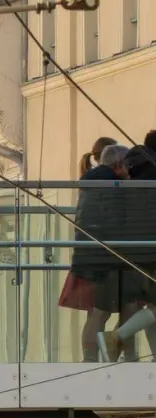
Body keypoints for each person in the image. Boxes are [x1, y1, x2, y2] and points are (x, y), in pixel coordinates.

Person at [69, 144, 132, 361]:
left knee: (99, 311)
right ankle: (95, 358)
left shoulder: (92, 182)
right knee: (102, 311)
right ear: (119, 165)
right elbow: (119, 222)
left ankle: (91, 358)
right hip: (106, 258)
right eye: (128, 165)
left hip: (88, 255)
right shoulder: (112, 186)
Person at [95, 145, 156, 359]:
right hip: (149, 254)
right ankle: (118, 336)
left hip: (136, 256)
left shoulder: (129, 187)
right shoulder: (148, 186)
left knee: (153, 308)